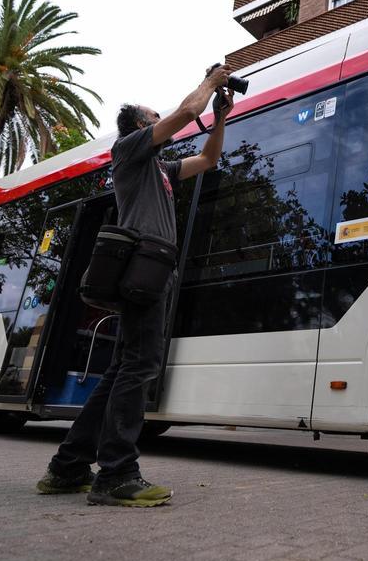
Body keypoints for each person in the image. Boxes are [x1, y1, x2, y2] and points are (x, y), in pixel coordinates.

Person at [36, 64, 236, 507]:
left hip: (155, 270)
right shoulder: (128, 151)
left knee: (123, 369)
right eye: (153, 116)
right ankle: (117, 474)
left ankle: (68, 468)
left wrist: (221, 117)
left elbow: (208, 160)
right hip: (142, 271)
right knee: (141, 366)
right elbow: (187, 112)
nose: (161, 119)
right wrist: (210, 83)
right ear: (139, 127)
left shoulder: (161, 168)